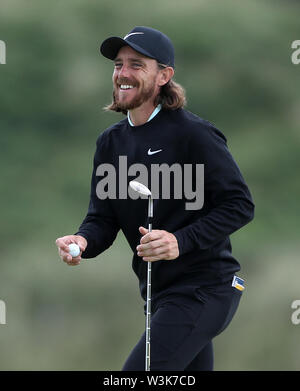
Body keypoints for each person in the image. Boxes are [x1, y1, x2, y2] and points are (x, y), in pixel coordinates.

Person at [55, 26, 255, 371]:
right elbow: (102, 218)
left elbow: (240, 205)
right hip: (158, 296)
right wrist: (82, 240)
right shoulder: (110, 143)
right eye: (118, 65)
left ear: (164, 75)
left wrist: (180, 241)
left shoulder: (194, 134)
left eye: (136, 64)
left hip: (206, 290)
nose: (123, 74)